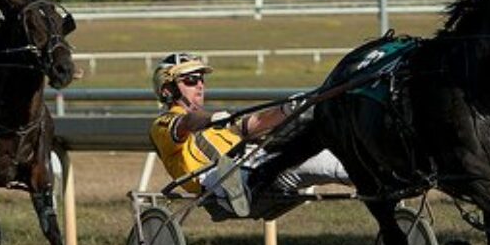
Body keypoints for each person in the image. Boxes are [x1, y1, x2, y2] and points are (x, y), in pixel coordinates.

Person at [149, 52, 348, 217]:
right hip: (213, 178)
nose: (200, 85)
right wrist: (211, 119)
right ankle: (231, 191)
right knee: (319, 164)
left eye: (201, 79)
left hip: (258, 164)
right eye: (191, 80)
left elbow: (255, 123)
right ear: (167, 90)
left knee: (335, 159)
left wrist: (288, 109)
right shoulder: (163, 124)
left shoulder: (217, 123)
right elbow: (186, 122)